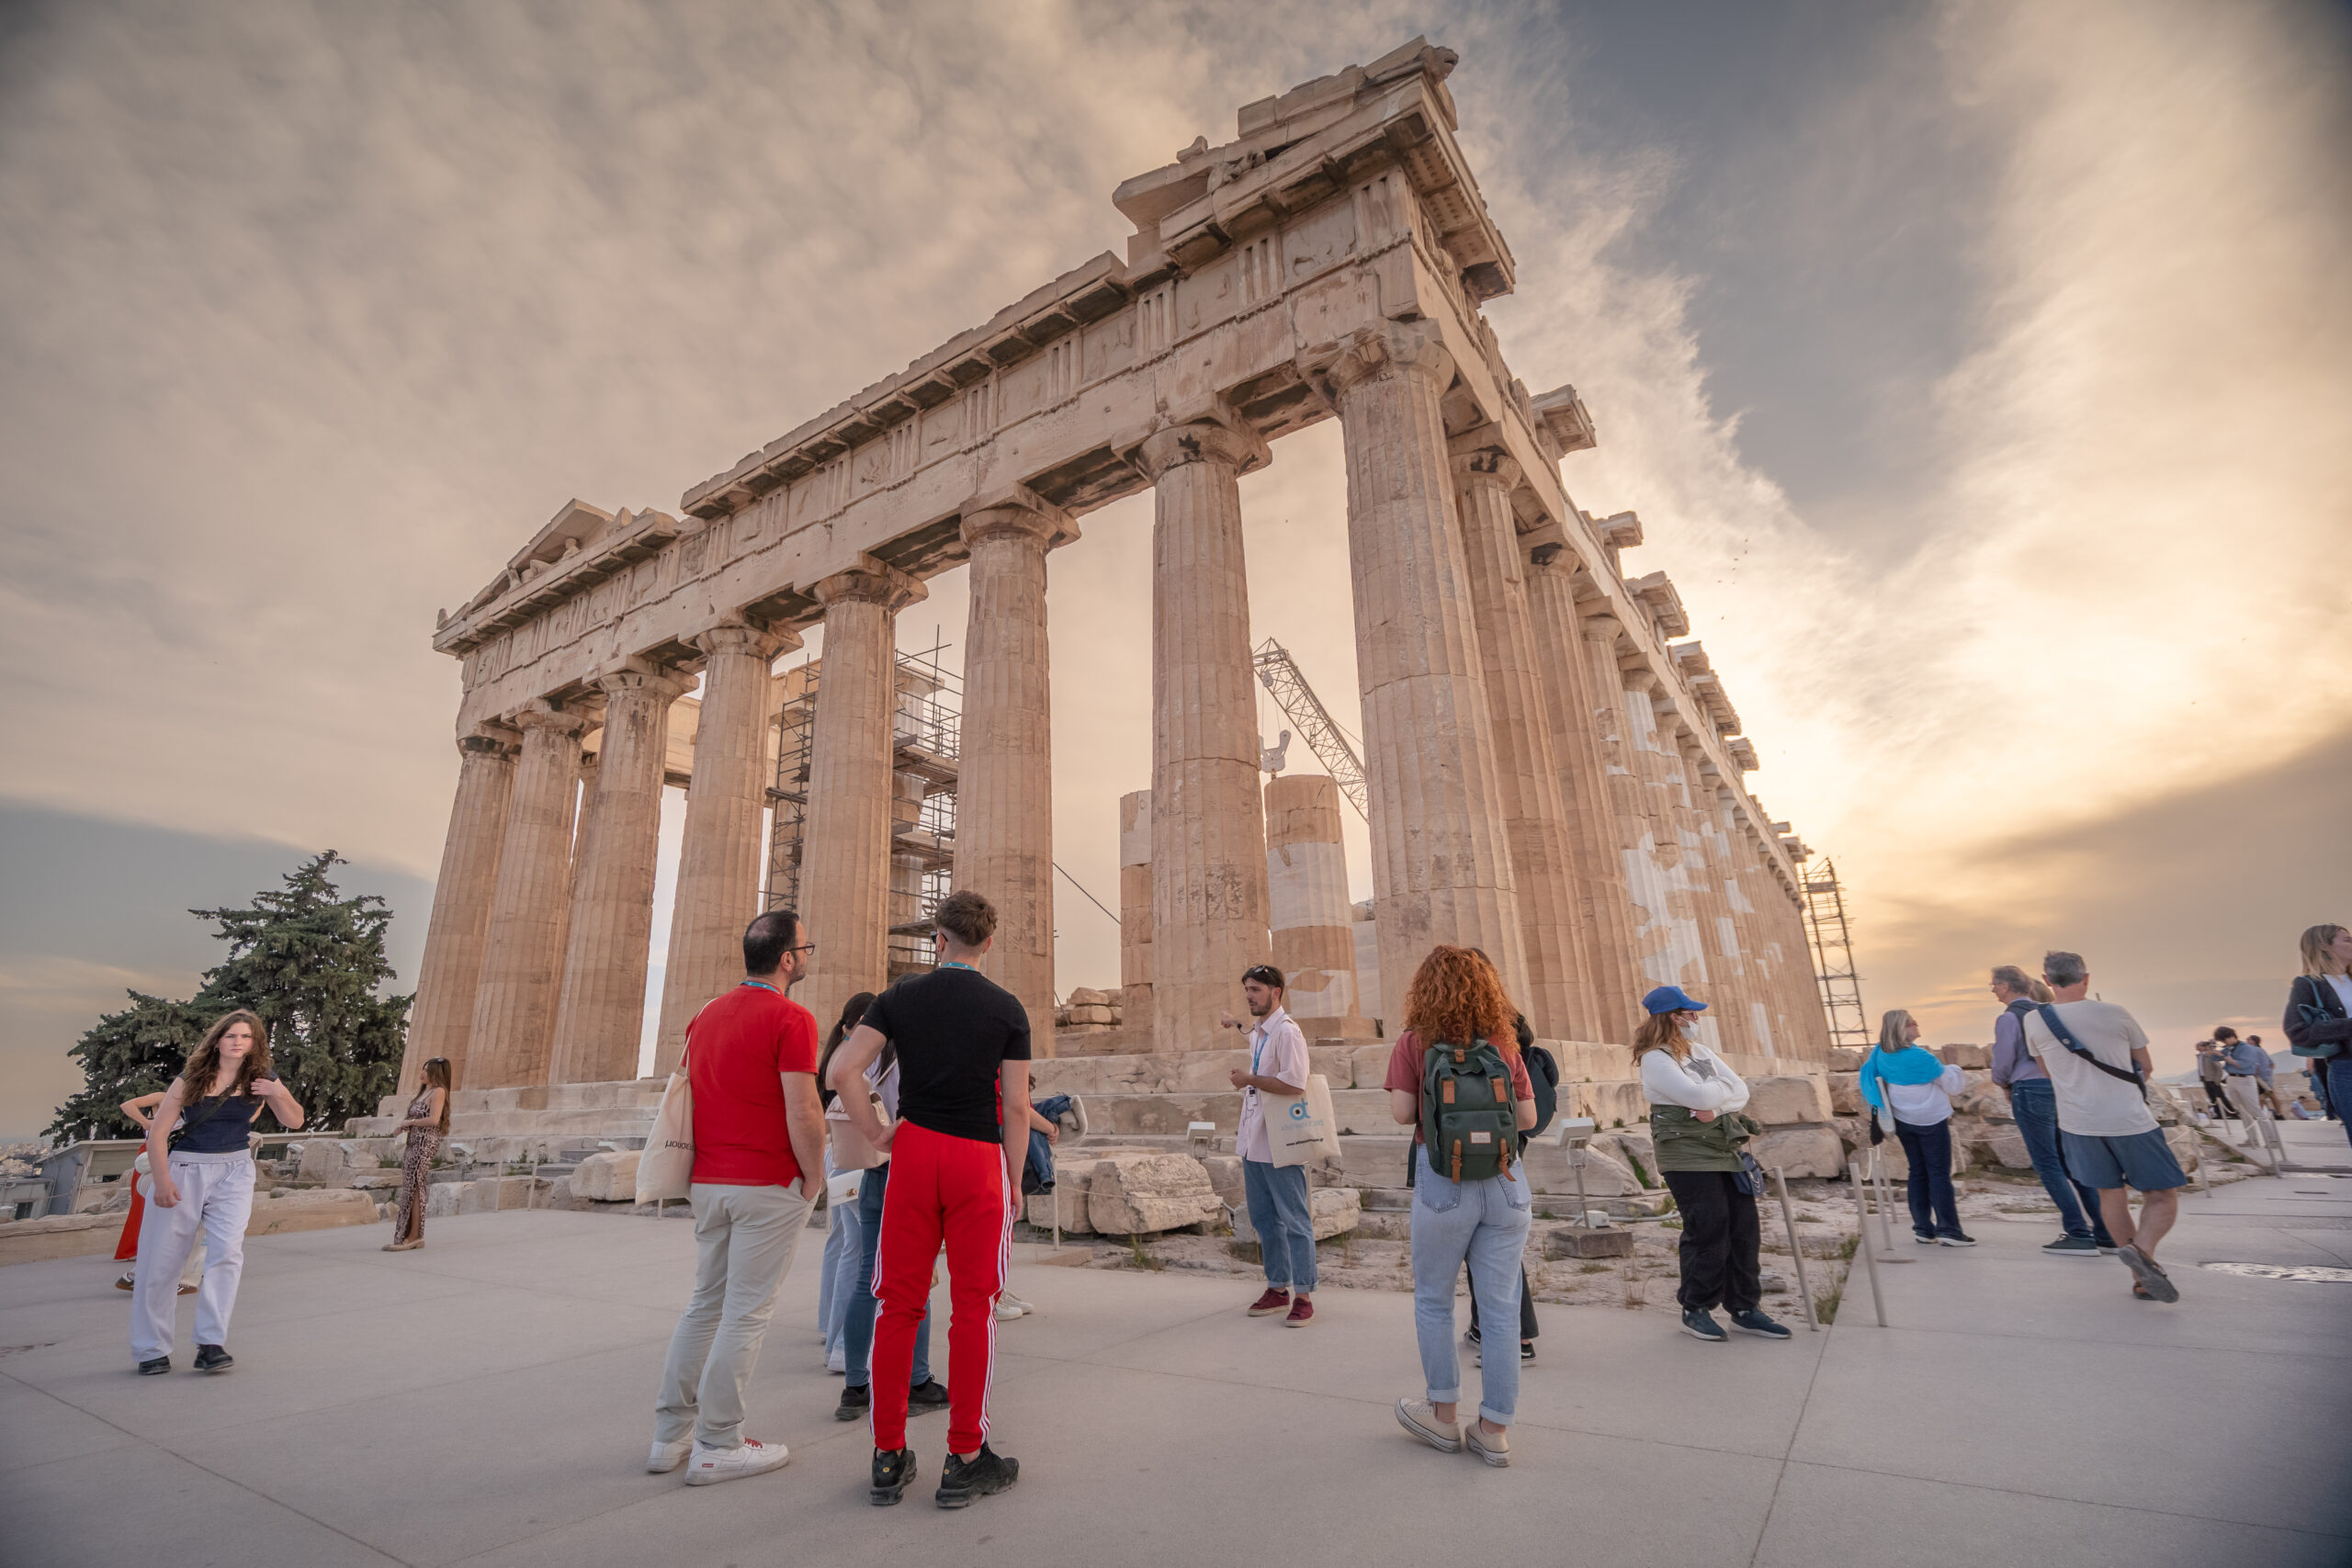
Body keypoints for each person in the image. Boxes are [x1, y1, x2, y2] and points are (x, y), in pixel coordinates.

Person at [831, 889, 1030, 1509]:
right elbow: (1018, 1105)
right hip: (976, 1159)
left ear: (938, 938)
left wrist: (874, 1131)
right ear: (988, 942)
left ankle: (888, 1454)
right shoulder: (1007, 1008)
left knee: (899, 1302)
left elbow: (843, 1070)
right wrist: (1016, 1179)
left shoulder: (898, 997)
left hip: (914, 1152)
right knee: (974, 1307)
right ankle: (965, 1455)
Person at [647, 909, 825, 1486]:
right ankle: (719, 1443)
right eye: (807, 948)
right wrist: (814, 1177)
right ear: (788, 959)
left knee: (705, 1304)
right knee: (746, 1314)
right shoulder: (792, 1018)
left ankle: (669, 1436)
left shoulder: (704, 1017)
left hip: (709, 1182)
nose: (807, 956)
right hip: (766, 1183)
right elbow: (802, 1108)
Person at [1385, 946, 1538, 1468]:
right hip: (1505, 1180)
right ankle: (1494, 1429)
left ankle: (1443, 1417)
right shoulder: (1503, 1044)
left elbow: (1404, 1113)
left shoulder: (1414, 1042)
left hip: (1443, 1178)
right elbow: (1526, 1118)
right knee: (1498, 1309)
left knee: (1433, 1300)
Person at [130, 1010, 306, 1375]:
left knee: (227, 1254)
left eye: (246, 1037)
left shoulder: (263, 1078)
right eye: (231, 1036)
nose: (238, 1042)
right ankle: (151, 1349)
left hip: (235, 1171)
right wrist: (163, 1183)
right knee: (162, 1261)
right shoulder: (190, 1079)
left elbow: (295, 1120)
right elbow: (158, 1134)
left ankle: (210, 1343)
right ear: (217, 1040)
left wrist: (278, 1091)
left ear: (254, 1043)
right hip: (186, 1169)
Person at [2020, 951, 2188, 1303]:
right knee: (2162, 1195)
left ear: (2047, 981)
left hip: (2077, 1123)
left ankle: (2141, 1277)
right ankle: (2142, 1252)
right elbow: (2145, 1066)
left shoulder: (2034, 1021)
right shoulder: (2115, 1012)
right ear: (2086, 978)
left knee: (2111, 1195)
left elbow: (2047, 1072)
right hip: (2128, 1118)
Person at [1631, 986, 1789, 1345]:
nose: (1696, 1019)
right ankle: (1696, 1308)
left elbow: (1740, 1091)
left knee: (1744, 1229)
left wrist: (1715, 1108)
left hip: (1722, 1148)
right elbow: (1696, 1095)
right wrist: (1718, 1094)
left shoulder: (1699, 1052)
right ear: (1674, 1016)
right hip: (1686, 1156)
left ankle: (1745, 1309)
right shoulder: (1656, 1058)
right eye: (1691, 1013)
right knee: (1708, 1230)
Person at [830, 984, 948, 1427]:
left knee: (867, 1275)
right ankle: (918, 1381)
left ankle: (855, 1386)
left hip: (873, 1170)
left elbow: (835, 1075)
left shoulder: (870, 1056)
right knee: (918, 1278)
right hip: (908, 1167)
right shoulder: (909, 1054)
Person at [1216, 963, 1317, 1327]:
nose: (1248, 996)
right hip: (1253, 1140)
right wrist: (1237, 1025)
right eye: (1246, 989)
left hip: (1280, 1142)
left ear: (1276, 992)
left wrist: (1248, 1080)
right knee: (1263, 1218)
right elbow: (1255, 1043)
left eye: (1256, 989)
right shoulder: (1260, 1031)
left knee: (1294, 1219)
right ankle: (1277, 1288)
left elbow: (1295, 1084)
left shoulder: (1288, 1033)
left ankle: (1304, 1294)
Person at [1990, 964, 2112, 1257]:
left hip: (2029, 1089)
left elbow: (2005, 1058)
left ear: (2006, 986)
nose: (1992, 989)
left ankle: (2077, 1232)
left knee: (2048, 1164)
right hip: (2061, 1088)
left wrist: (2001, 1082)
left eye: (1994, 984)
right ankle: (2105, 1232)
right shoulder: (2051, 1012)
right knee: (2072, 1162)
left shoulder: (2009, 1018)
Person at [1859, 1010, 1973, 1247]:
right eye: (1912, 1022)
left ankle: (1923, 1228)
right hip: (1931, 1120)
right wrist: (1954, 1068)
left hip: (1901, 1120)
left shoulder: (1879, 1054)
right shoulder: (1920, 1057)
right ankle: (1949, 1230)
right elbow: (1952, 1085)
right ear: (1903, 1028)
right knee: (1939, 1173)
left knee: (1917, 1172)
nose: (1917, 1024)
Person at [817, 993, 876, 1371]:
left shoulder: (834, 1055)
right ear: (853, 1024)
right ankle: (842, 1346)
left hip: (836, 1156)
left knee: (842, 1244)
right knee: (856, 1253)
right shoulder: (852, 1059)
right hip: (852, 1156)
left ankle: (829, 1327)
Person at [112, 1091, 204, 1296]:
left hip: (174, 1164)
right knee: (170, 1218)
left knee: (167, 1220)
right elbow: (127, 1104)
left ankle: (144, 1273)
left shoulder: (194, 1103)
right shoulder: (164, 1097)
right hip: (156, 1162)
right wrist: (146, 1122)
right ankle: (163, 1274)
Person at [2283, 923, 2352, 1151]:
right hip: (2346, 1069)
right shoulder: (2308, 985)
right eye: (2347, 940)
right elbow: (2297, 1031)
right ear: (2324, 945)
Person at [383, 1056, 451, 1252]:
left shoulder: (438, 1092)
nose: (421, 1073)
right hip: (413, 1142)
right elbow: (415, 1118)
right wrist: (402, 1128)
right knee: (410, 1186)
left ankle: (414, 1236)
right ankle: (407, 1235)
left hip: (424, 1143)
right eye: (422, 1069)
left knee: (416, 1186)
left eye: (426, 1070)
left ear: (436, 1073)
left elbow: (434, 1120)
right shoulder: (424, 1092)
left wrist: (410, 1123)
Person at [2214, 1026, 2277, 1165]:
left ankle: (2272, 1139)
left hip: (2245, 1079)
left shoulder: (2247, 1048)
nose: (2224, 1043)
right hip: (2232, 1079)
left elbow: (2243, 1064)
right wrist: (2210, 1050)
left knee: (2255, 1110)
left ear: (2231, 1036)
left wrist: (2225, 1057)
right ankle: (2252, 1138)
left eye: (2224, 1040)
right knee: (2241, 1111)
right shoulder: (2228, 1048)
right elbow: (2213, 1058)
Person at [2194, 1039, 2236, 1121]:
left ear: (2204, 1047)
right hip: (2205, 1079)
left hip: (2212, 1080)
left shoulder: (2210, 1055)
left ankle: (2232, 1113)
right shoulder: (2200, 1056)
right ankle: (2219, 1114)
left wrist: (2217, 1080)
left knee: (2220, 1097)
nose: (2196, 1047)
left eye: (2198, 1046)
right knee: (2212, 1098)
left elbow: (2219, 1068)